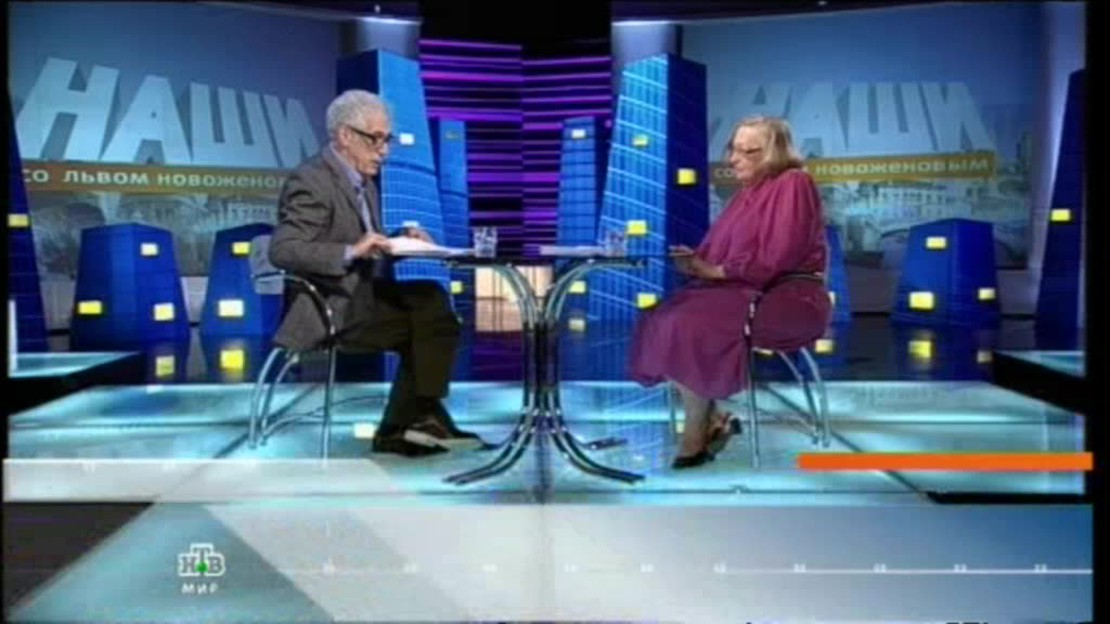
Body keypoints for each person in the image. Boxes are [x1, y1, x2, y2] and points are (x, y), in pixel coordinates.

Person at [269, 89, 481, 457]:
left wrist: (398, 239)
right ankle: (413, 420)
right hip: (332, 308)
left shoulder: (363, 182)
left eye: (387, 140)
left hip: (365, 297)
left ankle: (414, 419)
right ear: (345, 135)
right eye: (375, 139)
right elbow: (284, 250)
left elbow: (364, 241)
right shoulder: (312, 181)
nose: (384, 150)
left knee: (433, 304)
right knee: (431, 322)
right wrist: (352, 251)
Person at [629, 116, 831, 468]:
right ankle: (711, 417)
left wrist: (715, 271)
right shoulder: (745, 194)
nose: (734, 159)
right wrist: (696, 264)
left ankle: (696, 432)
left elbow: (779, 255)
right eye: (733, 150)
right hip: (739, 291)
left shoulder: (793, 183)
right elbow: (720, 256)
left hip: (786, 298)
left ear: (773, 153)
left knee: (686, 321)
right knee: (660, 316)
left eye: (748, 152)